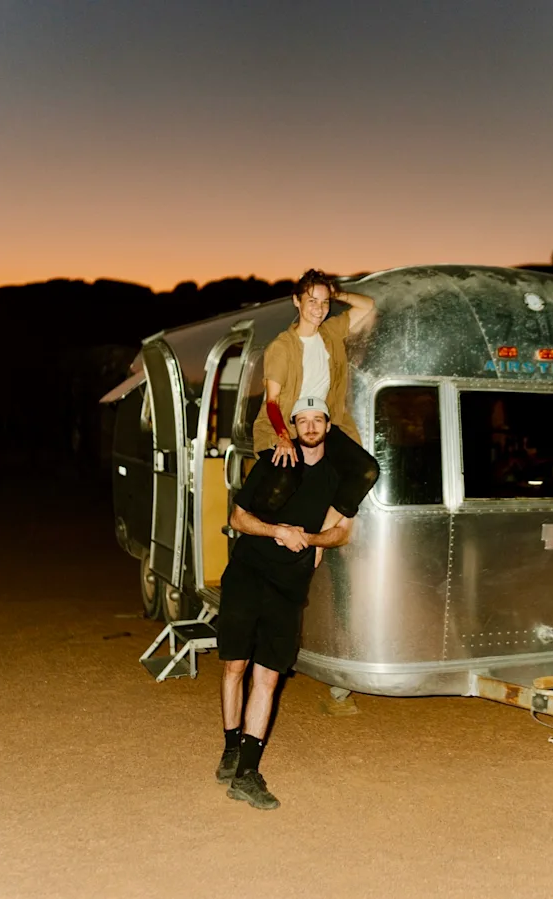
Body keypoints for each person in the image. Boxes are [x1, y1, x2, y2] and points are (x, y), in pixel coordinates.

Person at [216, 397, 353, 810]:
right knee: (235, 666)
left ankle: (247, 773)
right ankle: (230, 747)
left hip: (287, 587)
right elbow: (238, 518)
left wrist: (307, 538)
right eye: (303, 421)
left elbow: (342, 532)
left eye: (317, 420)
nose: (310, 426)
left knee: (270, 677)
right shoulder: (275, 464)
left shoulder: (337, 477)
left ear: (327, 426)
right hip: (247, 575)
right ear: (293, 427)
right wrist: (277, 530)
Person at [251, 269, 380, 545]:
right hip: (286, 424)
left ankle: (321, 534)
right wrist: (284, 437)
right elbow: (272, 401)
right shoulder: (282, 347)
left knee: (366, 470)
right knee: (287, 477)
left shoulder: (331, 333)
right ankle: (262, 532)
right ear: (296, 301)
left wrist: (335, 293)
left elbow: (367, 306)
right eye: (312, 301)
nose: (319, 309)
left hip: (321, 425)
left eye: (324, 302)